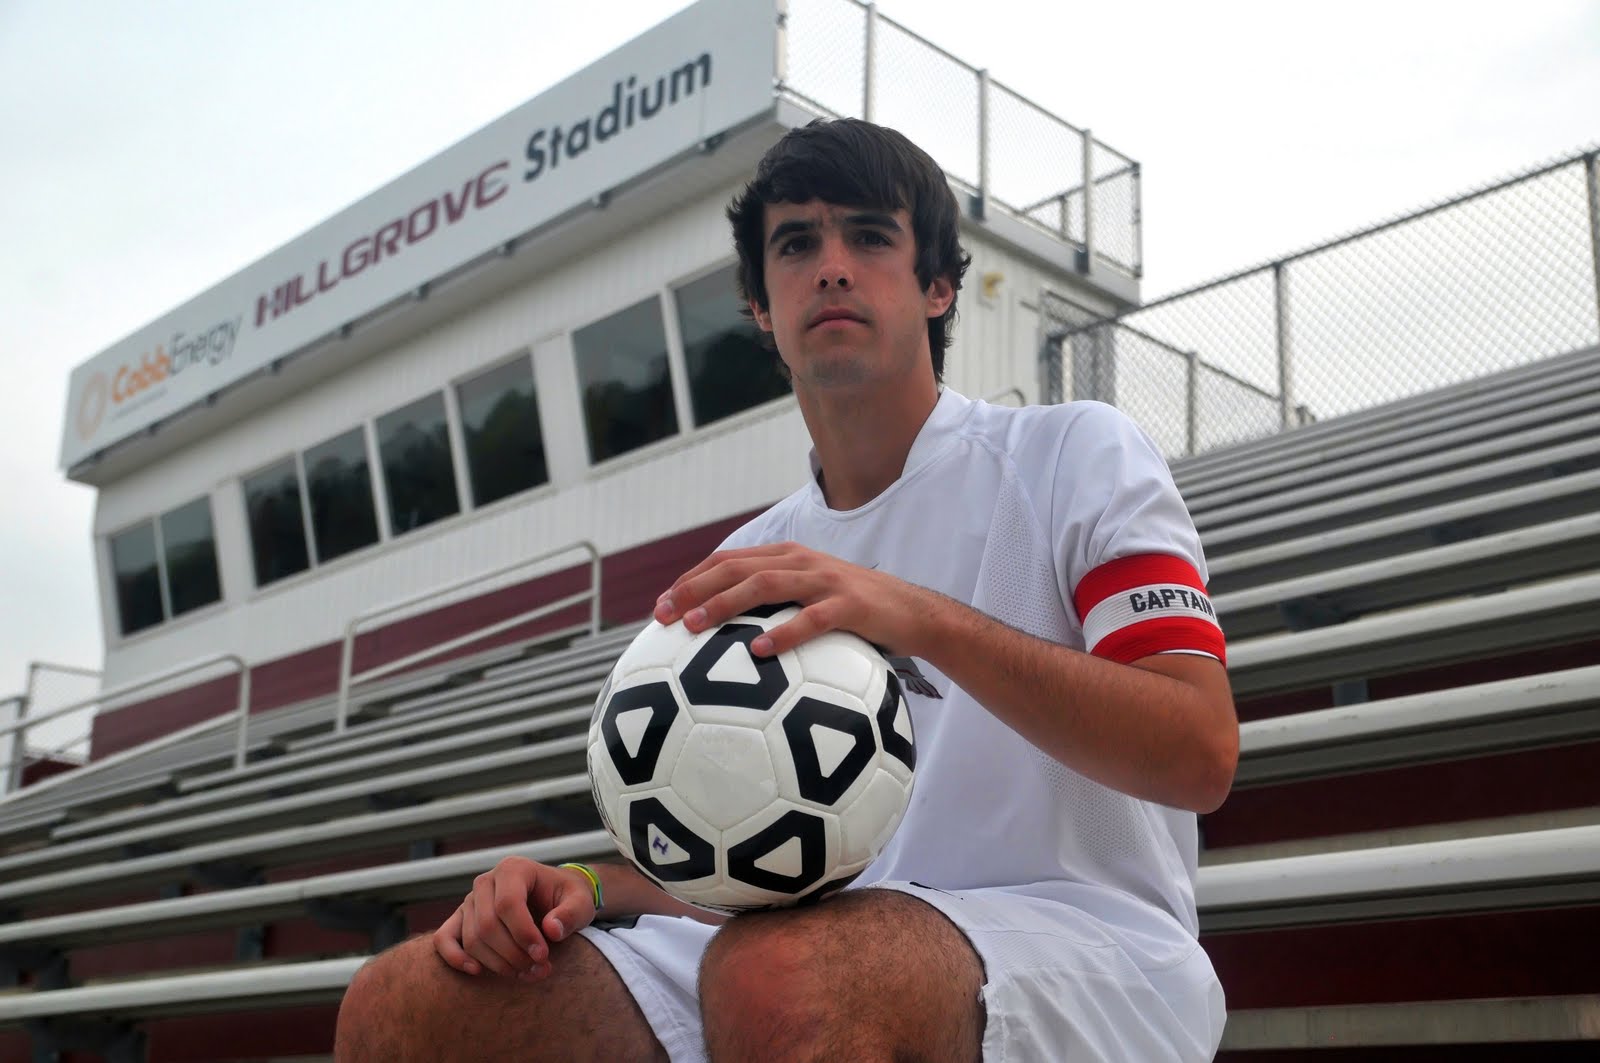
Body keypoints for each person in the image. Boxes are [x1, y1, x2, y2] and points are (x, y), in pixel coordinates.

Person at [334, 118, 1238, 1062]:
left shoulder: (1074, 454)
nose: (833, 266)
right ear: (760, 305)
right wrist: (591, 884)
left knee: (781, 976)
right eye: (797, 244)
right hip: (812, 944)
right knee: (403, 1004)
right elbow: (746, 852)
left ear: (937, 286)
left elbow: (1199, 750)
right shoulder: (752, 557)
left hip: (1086, 941)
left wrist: (914, 614)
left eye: (870, 236)